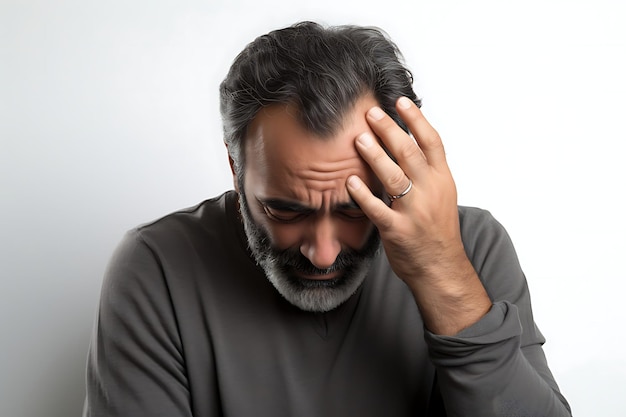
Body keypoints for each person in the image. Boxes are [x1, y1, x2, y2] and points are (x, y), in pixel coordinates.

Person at [83, 21, 572, 416]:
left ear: (399, 168)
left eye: (356, 208)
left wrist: (442, 273)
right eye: (284, 209)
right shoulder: (157, 268)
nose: (323, 253)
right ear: (236, 170)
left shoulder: (472, 246)